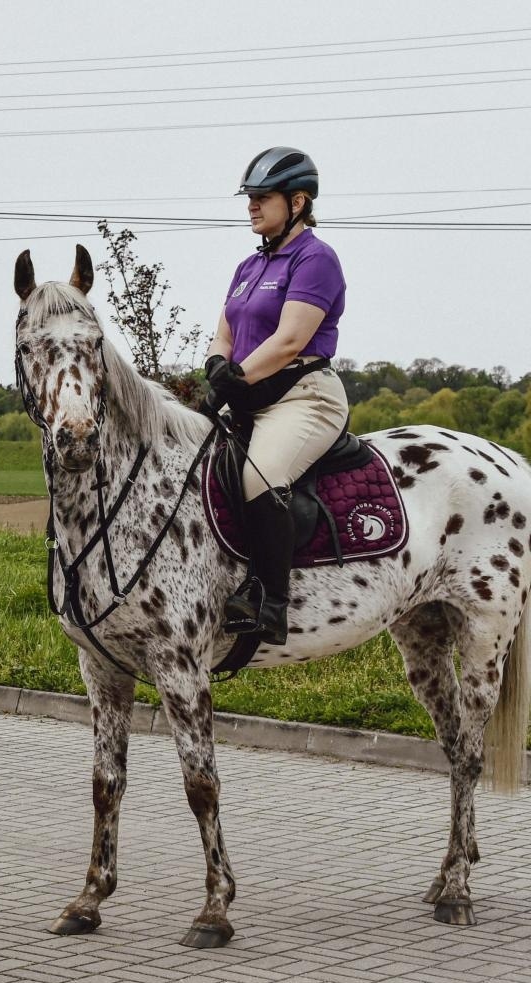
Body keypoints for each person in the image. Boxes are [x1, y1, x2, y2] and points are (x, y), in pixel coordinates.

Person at [203, 147, 349, 644]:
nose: (252, 206)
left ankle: (271, 602)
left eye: (263, 198)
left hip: (304, 397)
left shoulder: (316, 259)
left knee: (258, 476)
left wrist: (233, 376)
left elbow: (289, 341)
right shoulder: (248, 266)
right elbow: (224, 331)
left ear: (299, 201)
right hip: (248, 395)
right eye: (250, 197)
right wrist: (216, 365)